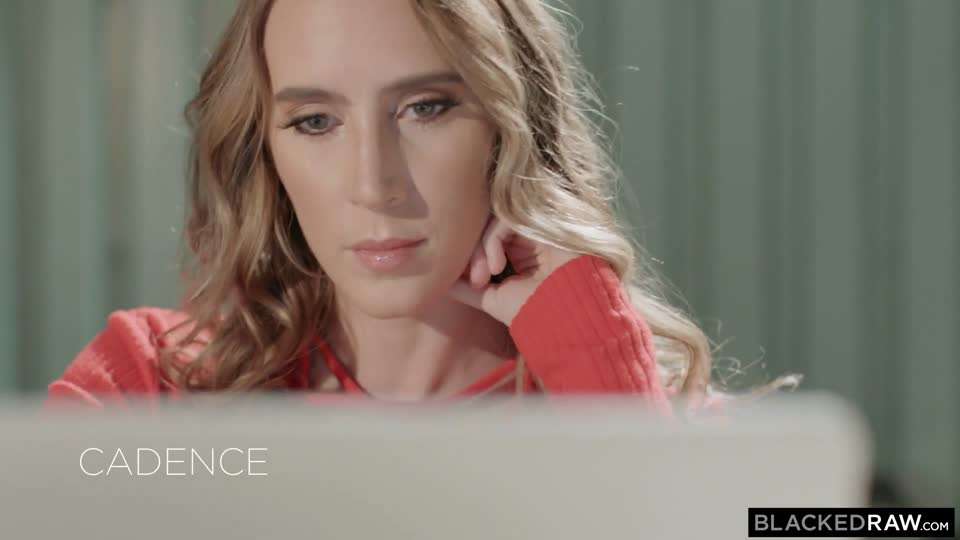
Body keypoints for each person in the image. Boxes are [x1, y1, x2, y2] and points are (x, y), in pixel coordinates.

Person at [46, 0, 799, 414]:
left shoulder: (672, 428)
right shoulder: (149, 390)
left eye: (426, 108)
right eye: (316, 121)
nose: (374, 184)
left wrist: (605, 380)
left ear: (513, 128)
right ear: (265, 153)